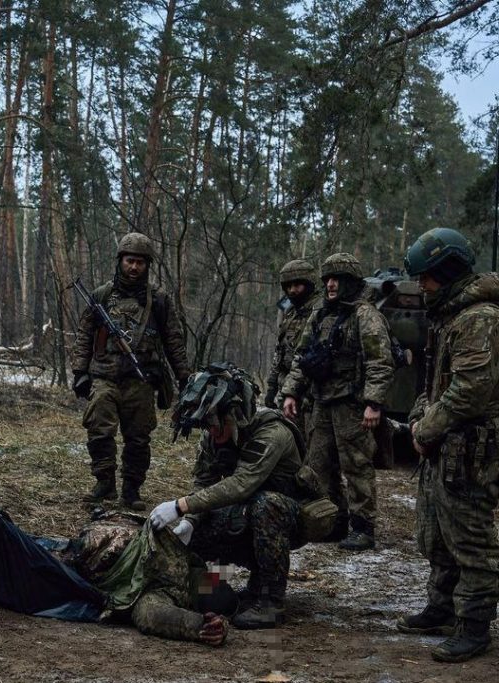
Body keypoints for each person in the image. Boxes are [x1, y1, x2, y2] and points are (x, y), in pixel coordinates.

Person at [397, 227, 499, 663]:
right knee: (436, 533)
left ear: (448, 271)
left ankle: (474, 625)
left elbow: (470, 390)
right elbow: (438, 384)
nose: (422, 286)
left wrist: (425, 429)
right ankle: (442, 607)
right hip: (446, 444)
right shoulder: (452, 315)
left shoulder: (480, 319)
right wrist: (420, 420)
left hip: (471, 450)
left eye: (427, 277)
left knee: (470, 538)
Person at [148, 363, 336, 630]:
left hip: (290, 518)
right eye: (208, 426)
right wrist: (189, 521)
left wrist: (180, 506)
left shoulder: (272, 433)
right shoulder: (214, 437)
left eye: (217, 424)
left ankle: (271, 602)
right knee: (199, 525)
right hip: (249, 514)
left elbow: (241, 485)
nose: (212, 433)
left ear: (234, 414)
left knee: (266, 505)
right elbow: (204, 483)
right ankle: (212, 590)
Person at [280, 252, 394, 551]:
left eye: (337, 280)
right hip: (321, 401)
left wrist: (373, 402)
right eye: (328, 279)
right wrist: (291, 392)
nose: (331, 285)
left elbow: (379, 362)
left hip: (352, 404)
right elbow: (302, 358)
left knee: (356, 465)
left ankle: (363, 527)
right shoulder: (320, 314)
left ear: (351, 283)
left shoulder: (365, 315)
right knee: (318, 465)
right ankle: (334, 522)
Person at [70, 232, 192, 510]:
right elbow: (84, 334)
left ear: (147, 265)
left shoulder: (158, 300)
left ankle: (131, 489)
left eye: (139, 262)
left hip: (141, 379)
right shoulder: (102, 295)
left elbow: (173, 339)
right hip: (104, 376)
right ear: (120, 261)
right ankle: (104, 483)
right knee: (98, 429)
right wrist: (79, 372)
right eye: (129, 261)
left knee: (138, 437)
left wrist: (184, 377)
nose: (134, 267)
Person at [66, 512, 230, 646]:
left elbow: (151, 615)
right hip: (99, 547)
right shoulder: (173, 587)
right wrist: (203, 625)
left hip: (105, 531)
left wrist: (205, 625)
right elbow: (151, 615)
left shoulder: (184, 554)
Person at [265, 258, 320, 421]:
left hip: (309, 394)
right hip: (286, 391)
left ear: (309, 284)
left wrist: (292, 391)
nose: (292, 291)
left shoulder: (320, 312)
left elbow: (306, 356)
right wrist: (271, 387)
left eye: (297, 285)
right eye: (288, 286)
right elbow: (280, 352)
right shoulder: (292, 313)